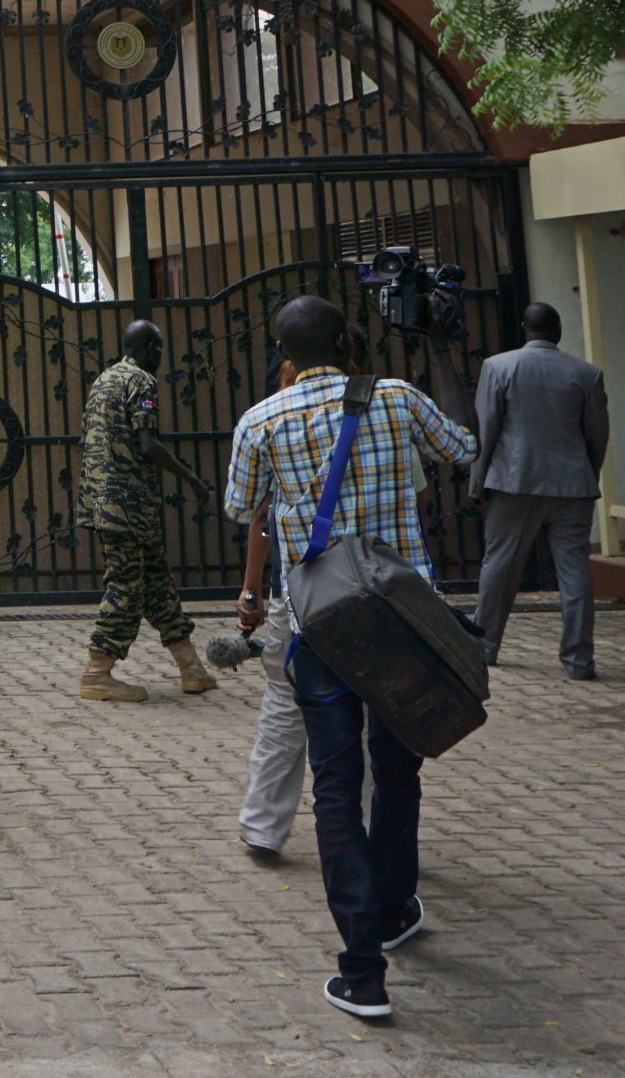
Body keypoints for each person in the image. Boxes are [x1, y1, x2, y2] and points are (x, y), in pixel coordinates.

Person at [224, 294, 476, 1021]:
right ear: (347, 341)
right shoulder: (396, 399)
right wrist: (439, 349)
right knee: (396, 773)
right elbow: (463, 447)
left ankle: (362, 972)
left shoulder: (261, 420)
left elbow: (245, 508)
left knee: (336, 787)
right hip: (403, 627)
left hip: (323, 632)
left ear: (286, 354)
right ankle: (397, 908)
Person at [235, 327, 370, 860]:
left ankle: (262, 826)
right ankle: (364, 827)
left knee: (284, 705)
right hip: (369, 586)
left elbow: (258, 518)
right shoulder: (380, 410)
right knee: (368, 704)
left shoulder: (271, 419)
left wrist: (251, 590)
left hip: (301, 588)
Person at [77, 319, 219, 702]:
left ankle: (191, 668)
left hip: (106, 500)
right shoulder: (141, 381)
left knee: (157, 584)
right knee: (126, 585)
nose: (160, 355)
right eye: (158, 347)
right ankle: (98, 672)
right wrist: (193, 480)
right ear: (150, 348)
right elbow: (148, 444)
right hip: (127, 503)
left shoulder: (104, 380)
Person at [469, 303, 608, 679]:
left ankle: (484, 649)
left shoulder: (498, 367)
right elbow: (597, 434)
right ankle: (579, 662)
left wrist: (477, 485)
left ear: (524, 328)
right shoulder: (587, 373)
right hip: (573, 487)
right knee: (575, 571)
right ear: (557, 330)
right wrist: (585, 475)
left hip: (513, 483)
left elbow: (487, 430)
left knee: (499, 566)